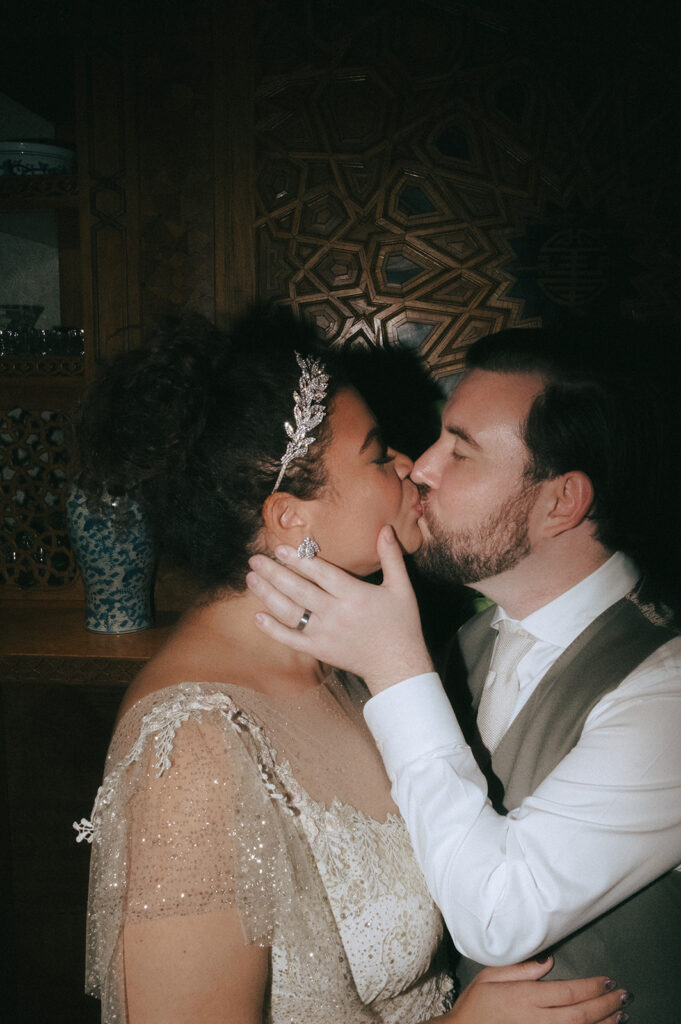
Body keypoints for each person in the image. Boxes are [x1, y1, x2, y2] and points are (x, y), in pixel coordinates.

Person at [71, 310, 632, 1024]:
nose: (410, 466)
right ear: (288, 518)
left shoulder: (341, 659)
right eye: (375, 454)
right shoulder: (193, 750)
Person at [246, 325, 681, 1022]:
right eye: (438, 439)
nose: (420, 467)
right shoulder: (462, 642)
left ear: (560, 502)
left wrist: (396, 667)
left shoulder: (668, 693)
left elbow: (496, 921)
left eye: (462, 451)